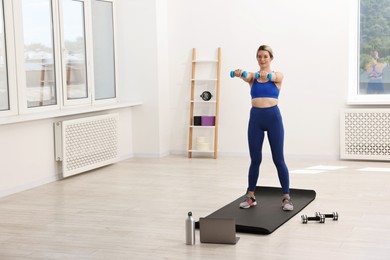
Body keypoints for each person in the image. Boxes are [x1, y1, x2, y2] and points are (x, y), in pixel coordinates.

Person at [232, 45, 293, 211]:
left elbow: (274, 76)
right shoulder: (253, 77)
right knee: (255, 159)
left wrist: (268, 75)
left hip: (273, 119)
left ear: (271, 58)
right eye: (259, 56)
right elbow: (247, 76)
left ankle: (286, 198)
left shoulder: (278, 76)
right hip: (256, 120)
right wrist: (240, 73)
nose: (262, 59)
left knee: (278, 159)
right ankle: (251, 196)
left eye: (265, 56)